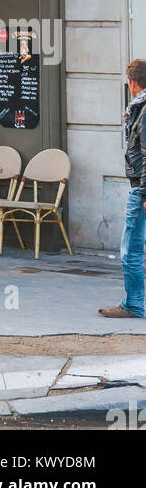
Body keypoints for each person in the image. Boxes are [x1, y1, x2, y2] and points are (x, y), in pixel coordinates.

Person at [100, 59, 146, 319]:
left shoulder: (143, 110)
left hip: (141, 188)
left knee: (131, 249)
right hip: (140, 186)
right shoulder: (140, 109)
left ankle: (133, 304)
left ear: (133, 83)